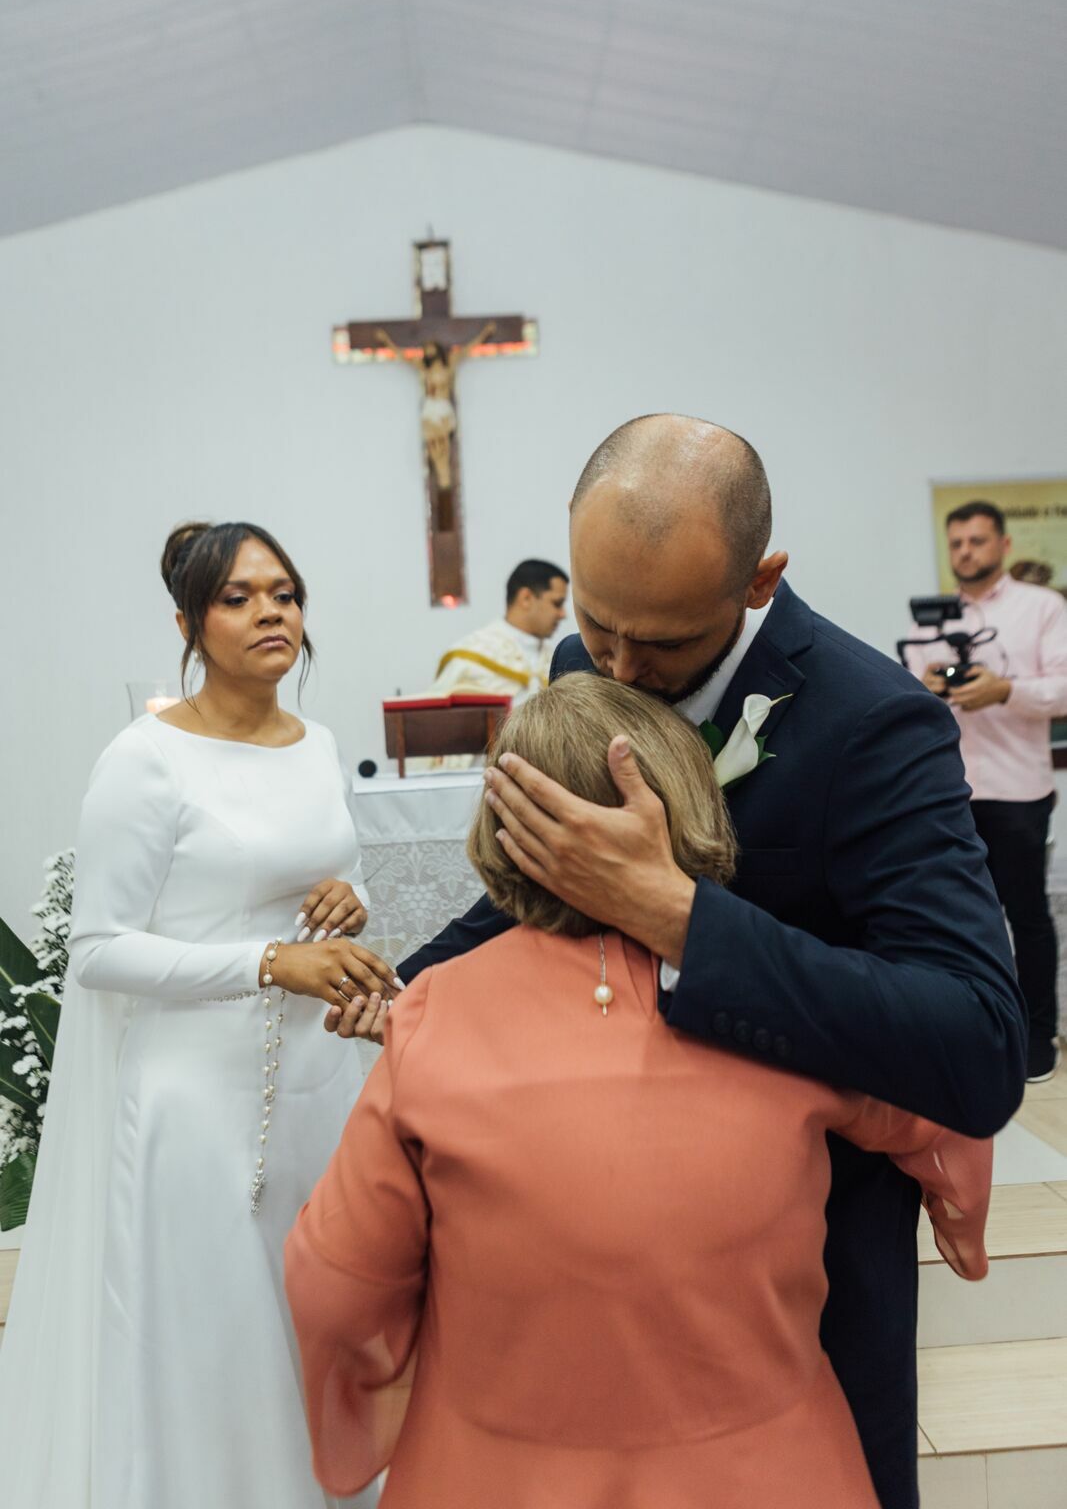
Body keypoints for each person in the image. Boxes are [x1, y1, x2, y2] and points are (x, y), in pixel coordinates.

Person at [389, 416, 1027, 1509]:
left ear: (758, 579)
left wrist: (685, 920)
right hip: (596, 1265)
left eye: (666, 642)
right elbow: (551, 883)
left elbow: (974, 1043)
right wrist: (407, 993)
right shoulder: (579, 654)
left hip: (797, 1271)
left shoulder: (873, 724)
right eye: (597, 622)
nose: (619, 667)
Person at [288, 674, 992, 1509]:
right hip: (764, 1466)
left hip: (497, 1465)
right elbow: (931, 1102)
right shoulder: (773, 992)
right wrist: (954, 1201)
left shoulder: (434, 1014)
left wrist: (390, 1393)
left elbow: (336, 1278)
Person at [0, 520, 398, 1509]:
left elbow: (316, 885)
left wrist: (347, 899)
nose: (272, 610)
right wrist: (268, 961)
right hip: (196, 1104)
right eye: (239, 596)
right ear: (187, 622)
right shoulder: (144, 761)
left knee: (321, 1323)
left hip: (318, 1086)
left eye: (286, 592)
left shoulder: (319, 743)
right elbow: (98, 952)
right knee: (222, 1348)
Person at [907, 499, 1067, 1082]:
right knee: (955, 919)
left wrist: (1005, 692)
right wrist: (923, 688)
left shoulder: (1042, 608)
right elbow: (906, 697)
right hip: (948, 793)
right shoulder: (929, 619)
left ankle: (1037, 1035)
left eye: (976, 541)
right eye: (957, 543)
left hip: (1020, 789)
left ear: (1003, 545)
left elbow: (1063, 687)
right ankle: (970, 1032)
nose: (965, 552)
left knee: (1026, 917)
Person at [373, 324, 495, 490]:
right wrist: (386, 341)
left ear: (439, 351)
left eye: (432, 349)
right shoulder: (424, 369)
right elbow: (401, 356)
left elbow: (469, 349)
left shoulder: (450, 365)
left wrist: (486, 333)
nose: (429, 353)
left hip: (443, 409)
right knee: (434, 449)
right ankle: (441, 479)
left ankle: (445, 480)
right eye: (427, 351)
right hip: (430, 411)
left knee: (443, 449)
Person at [433, 558, 570, 705]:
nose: (563, 614)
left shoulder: (557, 661)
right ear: (526, 598)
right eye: (557, 604)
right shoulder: (469, 658)